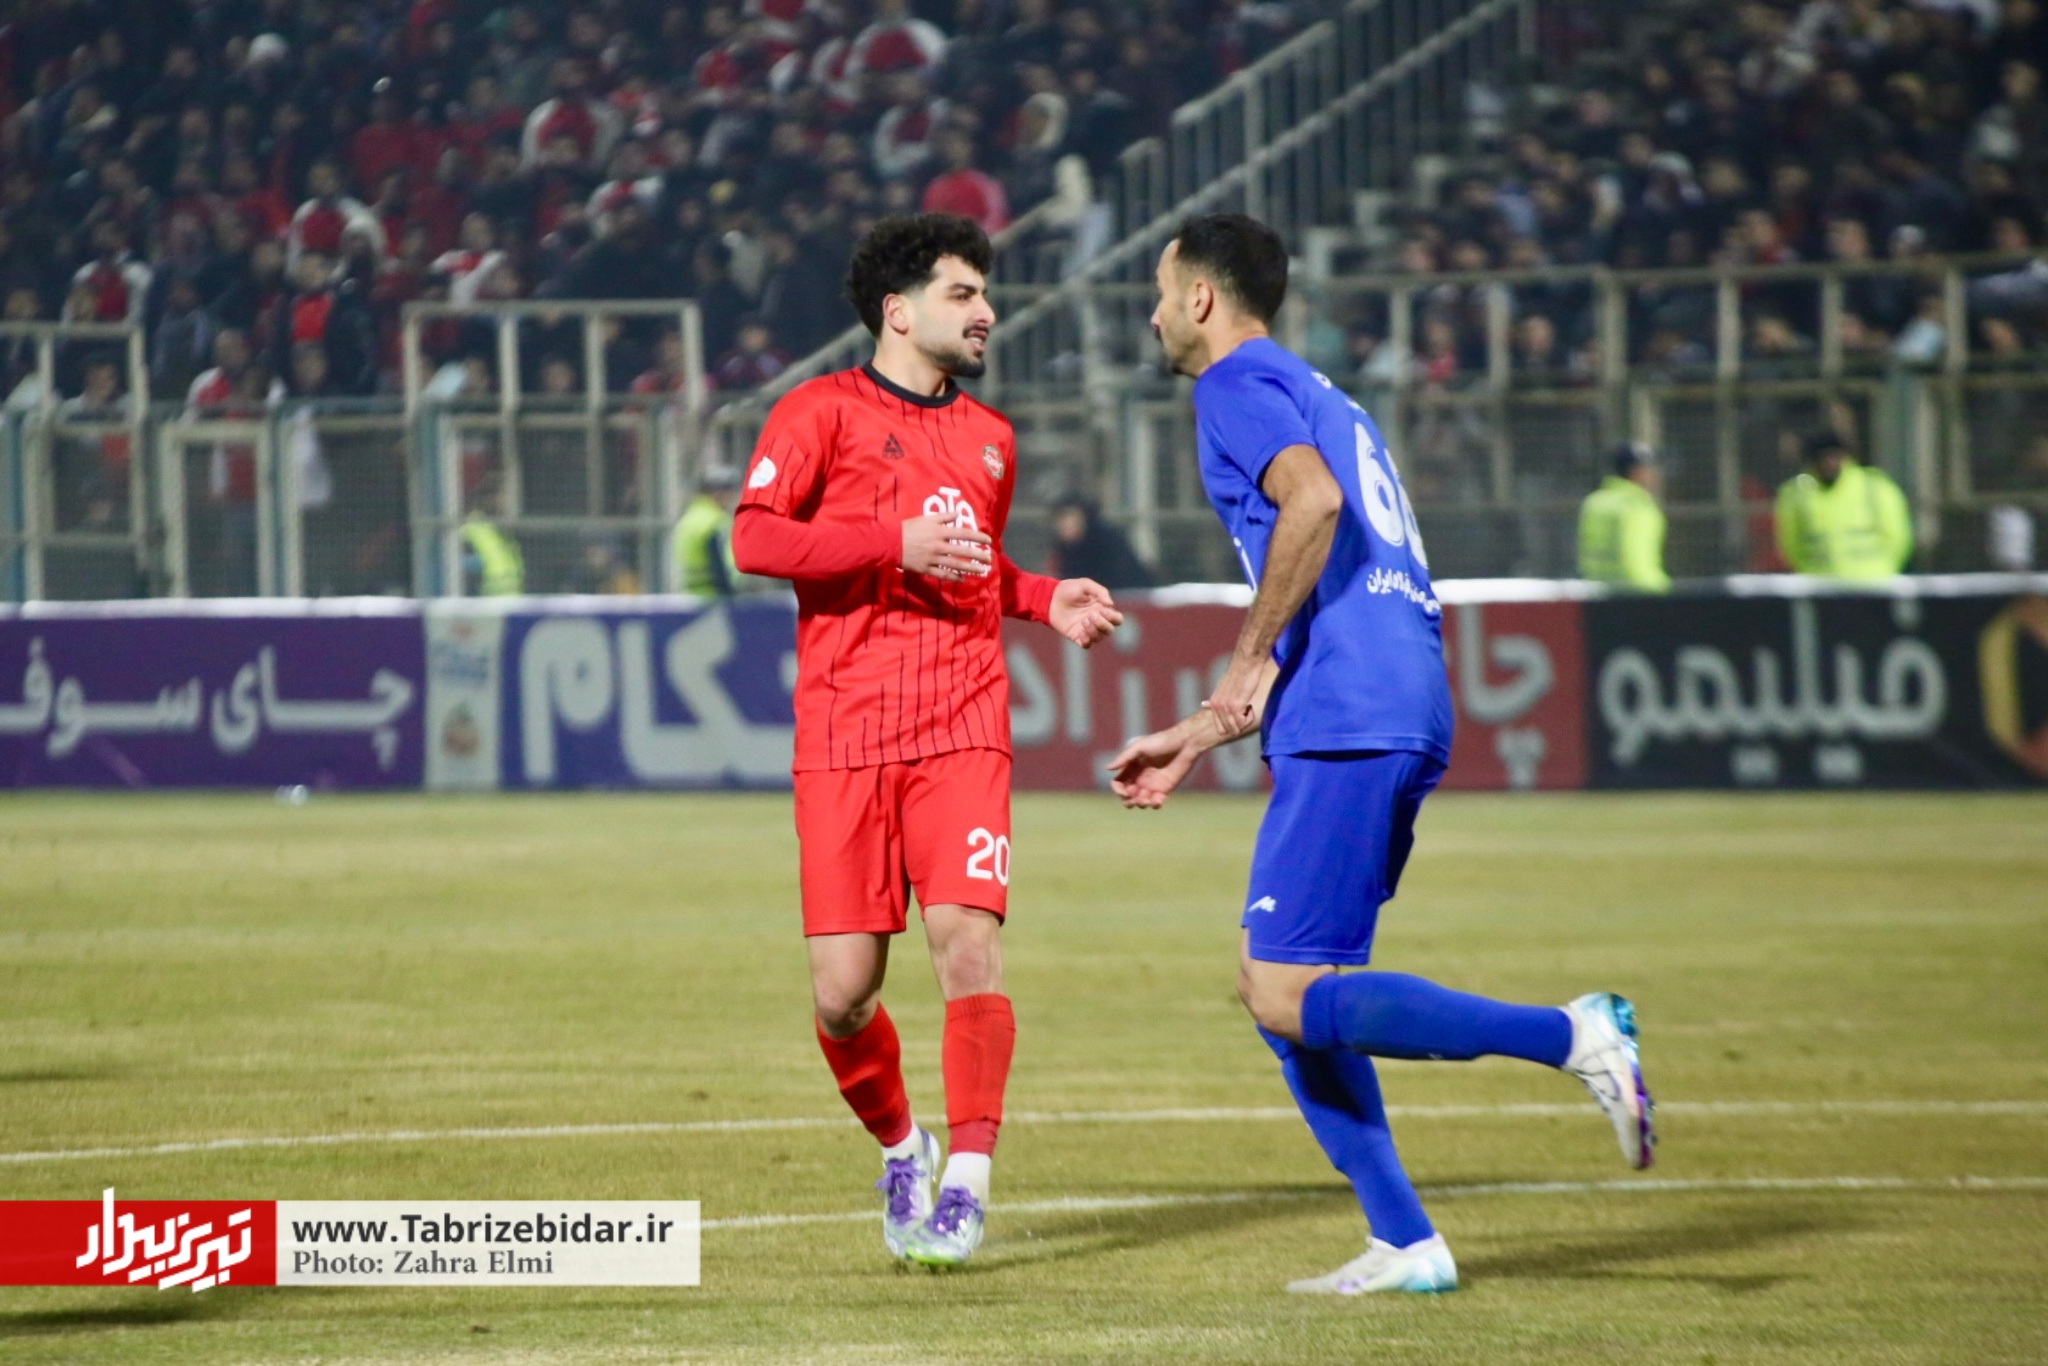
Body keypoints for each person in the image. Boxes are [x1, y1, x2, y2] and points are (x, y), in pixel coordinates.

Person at [1108, 213, 1655, 1296]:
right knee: (1288, 987)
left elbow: (1309, 504)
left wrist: (1242, 660)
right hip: (1391, 691)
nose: (1155, 315)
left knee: (1280, 992)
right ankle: (1405, 1241)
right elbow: (1332, 571)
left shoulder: (1233, 384)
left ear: (1203, 298)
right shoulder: (1322, 393)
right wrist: (1204, 729)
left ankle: (1570, 1034)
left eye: (1162, 293)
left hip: (1350, 708)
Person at [730, 213, 1122, 1270]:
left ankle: (967, 1186)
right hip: (842, 733)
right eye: (963, 292)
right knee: (841, 994)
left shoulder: (991, 437)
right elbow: (753, 537)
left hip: (960, 724)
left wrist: (1041, 596)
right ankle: (905, 1149)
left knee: (966, 942)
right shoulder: (816, 412)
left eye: (984, 293)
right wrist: (888, 542)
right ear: (897, 311)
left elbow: (975, 564)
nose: (986, 310)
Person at [1775, 430, 1913, 578]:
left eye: (1834, 456)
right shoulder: (1796, 493)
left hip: (1873, 582)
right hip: (1819, 583)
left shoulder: (1875, 487)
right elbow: (1789, 542)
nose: (1829, 463)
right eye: (1822, 458)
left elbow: (1898, 537)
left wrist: (1883, 570)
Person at [1577, 444, 1672, 591]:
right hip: (1635, 593)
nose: (1654, 474)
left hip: (1596, 590)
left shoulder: (1595, 501)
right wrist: (1662, 593)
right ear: (1637, 471)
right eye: (1649, 468)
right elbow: (1636, 562)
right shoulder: (1636, 505)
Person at [1047, 493, 1156, 588]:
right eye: (1059, 519)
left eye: (1070, 517)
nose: (1064, 525)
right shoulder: (1064, 551)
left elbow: (1124, 577)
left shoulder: (1107, 542)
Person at [673, 467, 744, 597]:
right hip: (714, 595)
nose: (732, 498)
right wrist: (729, 593)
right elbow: (717, 563)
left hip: (692, 592)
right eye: (729, 492)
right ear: (717, 493)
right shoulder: (714, 521)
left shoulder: (690, 516)